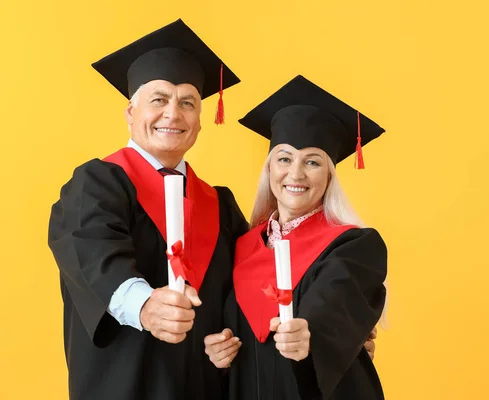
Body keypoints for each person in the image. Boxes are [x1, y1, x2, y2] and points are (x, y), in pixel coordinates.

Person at [47, 19, 248, 400]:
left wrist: (330, 327)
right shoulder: (98, 182)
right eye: (159, 99)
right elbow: (88, 249)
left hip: (206, 387)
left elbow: (252, 279)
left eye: (188, 102)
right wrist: (143, 305)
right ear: (130, 112)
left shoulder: (220, 204)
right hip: (124, 383)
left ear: (200, 122)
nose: (173, 114)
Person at [204, 75, 388, 399]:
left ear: (330, 175)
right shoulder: (239, 246)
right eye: (285, 158)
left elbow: (334, 308)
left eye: (313, 162)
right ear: (270, 168)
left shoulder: (353, 248)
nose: (296, 173)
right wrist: (216, 352)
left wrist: (310, 335)